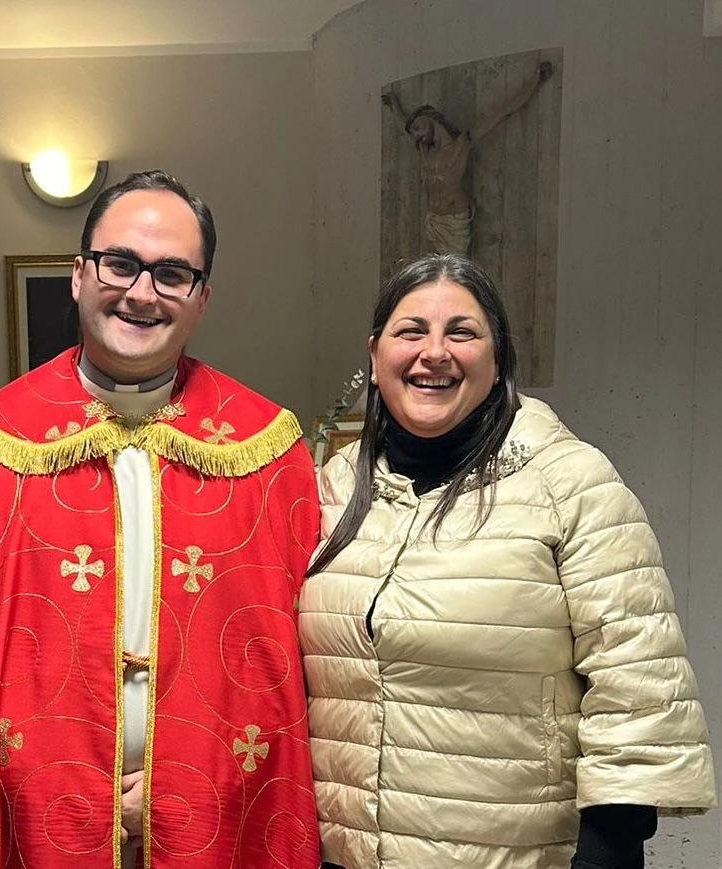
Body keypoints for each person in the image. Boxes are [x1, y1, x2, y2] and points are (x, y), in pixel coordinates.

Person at [0, 170, 320, 868]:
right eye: (121, 263)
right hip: (41, 817)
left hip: (222, 812)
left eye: (172, 273)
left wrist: (176, 789)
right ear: (78, 275)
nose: (141, 292)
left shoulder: (267, 450)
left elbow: (288, 671)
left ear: (202, 298)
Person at [299, 253, 715, 869]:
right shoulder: (329, 488)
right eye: (410, 331)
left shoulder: (571, 483)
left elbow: (641, 690)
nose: (433, 352)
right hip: (345, 854)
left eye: (461, 332)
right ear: (375, 355)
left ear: (498, 364)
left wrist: (609, 850)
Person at [381, 60, 553, 255]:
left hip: (455, 222)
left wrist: (536, 79)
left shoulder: (462, 144)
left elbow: (503, 112)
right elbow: (404, 128)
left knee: (456, 274)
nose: (417, 135)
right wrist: (394, 104)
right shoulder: (424, 151)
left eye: (418, 128)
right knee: (433, 274)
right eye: (414, 132)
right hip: (434, 220)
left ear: (430, 118)